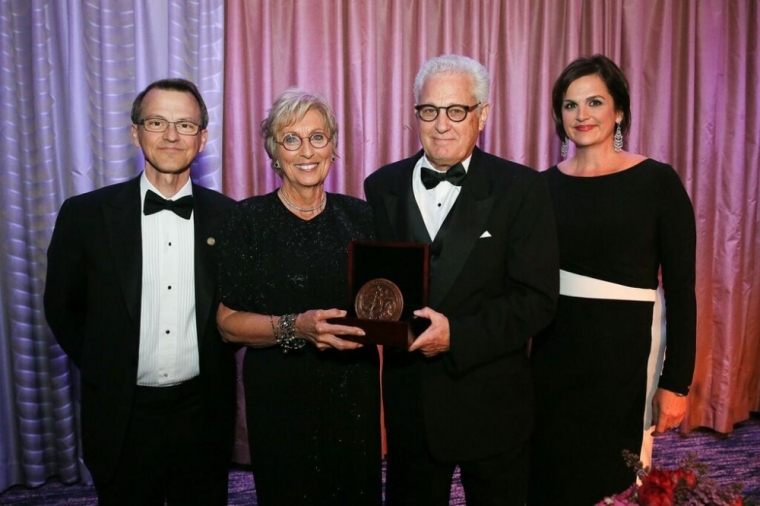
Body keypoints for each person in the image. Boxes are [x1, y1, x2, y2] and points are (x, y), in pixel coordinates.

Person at [364, 54, 559, 506]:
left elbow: (537, 299)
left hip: (491, 405)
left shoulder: (522, 189)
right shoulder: (381, 186)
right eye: (429, 110)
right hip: (410, 407)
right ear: (416, 114)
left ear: (482, 115)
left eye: (457, 111)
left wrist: (458, 336)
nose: (442, 124)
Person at [43, 78, 238, 505]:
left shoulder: (230, 217)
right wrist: (105, 365)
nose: (171, 135)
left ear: (202, 139)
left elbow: (240, 307)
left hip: (203, 415)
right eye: (157, 122)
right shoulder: (85, 215)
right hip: (120, 415)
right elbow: (62, 307)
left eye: (185, 125)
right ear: (136, 132)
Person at [528, 54, 697, 505]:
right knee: (550, 471)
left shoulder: (657, 181)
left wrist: (675, 382)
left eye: (594, 102)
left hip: (626, 353)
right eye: (570, 105)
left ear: (619, 110)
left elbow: (682, 288)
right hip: (553, 354)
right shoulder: (540, 188)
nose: (581, 116)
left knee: (614, 479)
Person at [215, 88, 382, 505]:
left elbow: (382, 305)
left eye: (318, 137)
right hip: (280, 397)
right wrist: (298, 327)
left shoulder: (362, 216)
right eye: (291, 138)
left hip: (353, 394)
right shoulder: (247, 219)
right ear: (274, 151)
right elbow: (227, 323)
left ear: (333, 147)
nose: (306, 150)